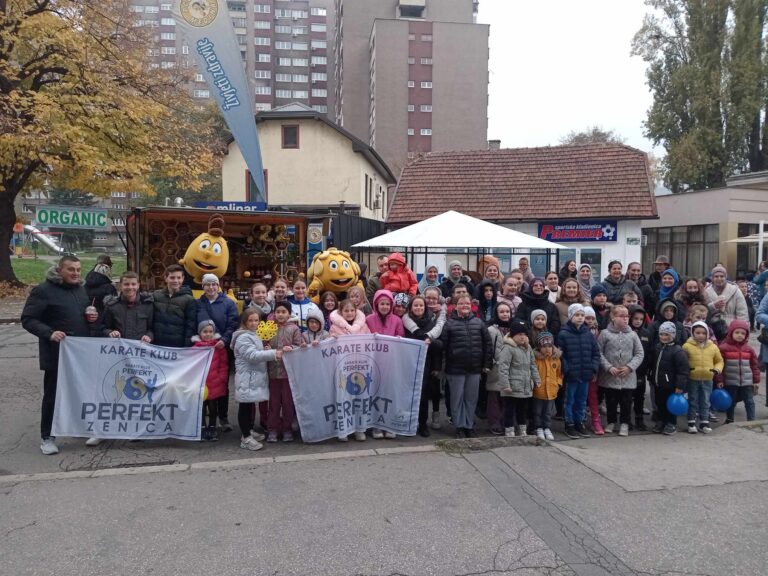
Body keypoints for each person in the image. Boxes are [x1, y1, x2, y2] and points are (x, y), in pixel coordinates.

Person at [22, 255, 99, 455]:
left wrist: (91, 317)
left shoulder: (81, 290)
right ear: (60, 270)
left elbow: (83, 317)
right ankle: (47, 437)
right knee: (53, 396)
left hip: (79, 355)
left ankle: (79, 428)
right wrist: (49, 333)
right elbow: (28, 319)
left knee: (80, 393)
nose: (75, 273)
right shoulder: (43, 291)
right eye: (71, 269)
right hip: (56, 354)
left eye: (78, 270)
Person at [439, 294, 493, 438]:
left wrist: (486, 364)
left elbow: (487, 344)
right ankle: (459, 426)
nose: (465, 306)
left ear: (471, 306)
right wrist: (442, 367)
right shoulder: (449, 324)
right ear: (455, 306)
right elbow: (443, 347)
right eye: (461, 304)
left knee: (471, 399)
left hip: (474, 368)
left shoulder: (479, 322)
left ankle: (469, 425)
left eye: (467, 304)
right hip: (455, 369)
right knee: (457, 399)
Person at [231, 308, 277, 451]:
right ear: (244, 322)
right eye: (250, 320)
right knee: (245, 407)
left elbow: (257, 352)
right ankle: (245, 438)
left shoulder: (253, 335)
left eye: (256, 320)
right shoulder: (243, 337)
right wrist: (274, 353)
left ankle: (248, 432)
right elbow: (252, 356)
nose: (253, 323)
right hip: (247, 377)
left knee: (249, 405)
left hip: (251, 377)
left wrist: (266, 350)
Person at [197, 273, 238, 432]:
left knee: (221, 383)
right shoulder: (198, 303)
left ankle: (223, 416)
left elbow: (233, 323)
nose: (211, 287)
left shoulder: (228, 303)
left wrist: (225, 340)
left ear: (218, 285)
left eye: (214, 284)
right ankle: (203, 418)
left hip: (221, 348)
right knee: (203, 384)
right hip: (201, 350)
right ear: (203, 286)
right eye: (207, 284)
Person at [597, 305, 645, 437]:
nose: (625, 319)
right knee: (611, 401)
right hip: (610, 376)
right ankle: (611, 422)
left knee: (626, 401)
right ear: (613, 317)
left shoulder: (633, 335)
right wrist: (609, 367)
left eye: (627, 316)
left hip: (627, 377)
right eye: (621, 316)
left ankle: (625, 423)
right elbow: (599, 352)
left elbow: (639, 354)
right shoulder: (604, 334)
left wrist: (630, 367)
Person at [557, 303, 600, 439]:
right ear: (571, 316)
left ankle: (579, 422)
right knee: (570, 400)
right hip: (571, 375)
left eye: (582, 315)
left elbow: (595, 353)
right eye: (577, 315)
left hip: (585, 373)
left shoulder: (588, 334)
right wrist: (567, 369)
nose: (580, 318)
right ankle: (569, 424)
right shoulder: (563, 333)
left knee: (581, 400)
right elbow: (560, 354)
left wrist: (593, 367)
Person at [404, 295, 444, 437]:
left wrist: (436, 367)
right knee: (408, 396)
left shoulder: (431, 323)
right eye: (416, 305)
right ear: (410, 308)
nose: (419, 308)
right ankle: (408, 423)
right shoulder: (405, 323)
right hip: (408, 363)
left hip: (425, 364)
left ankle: (422, 424)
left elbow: (439, 346)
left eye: (421, 305)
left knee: (423, 396)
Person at [266, 301, 303, 443]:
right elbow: (263, 343)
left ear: (289, 314)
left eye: (284, 312)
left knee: (288, 403)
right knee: (274, 403)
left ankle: (287, 429)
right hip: (273, 372)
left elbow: (299, 347)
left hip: (288, 373)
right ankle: (273, 429)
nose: (280, 315)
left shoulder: (294, 328)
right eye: (278, 312)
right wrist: (265, 346)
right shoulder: (269, 327)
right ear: (274, 313)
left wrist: (292, 348)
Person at [498, 319, 541, 437]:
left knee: (522, 409)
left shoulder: (528, 348)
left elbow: (533, 365)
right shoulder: (508, 348)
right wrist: (505, 384)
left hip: (525, 386)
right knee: (509, 409)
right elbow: (503, 368)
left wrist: (537, 380)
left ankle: (522, 429)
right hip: (512, 386)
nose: (522, 337)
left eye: (524, 334)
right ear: (513, 335)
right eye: (519, 334)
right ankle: (509, 429)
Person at [683, 320, 724, 434]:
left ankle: (704, 422)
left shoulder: (713, 347)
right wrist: (687, 371)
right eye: (697, 332)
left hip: (707, 379)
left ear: (707, 334)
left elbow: (719, 361)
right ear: (693, 333)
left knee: (705, 401)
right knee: (693, 400)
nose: (700, 335)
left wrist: (717, 369)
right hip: (692, 378)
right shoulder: (687, 346)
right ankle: (691, 422)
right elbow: (683, 361)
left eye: (703, 333)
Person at [649, 322, 689, 435]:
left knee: (670, 405)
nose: (663, 337)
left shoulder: (678, 351)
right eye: (661, 334)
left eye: (666, 335)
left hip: (671, 385)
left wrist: (680, 386)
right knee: (659, 403)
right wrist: (651, 376)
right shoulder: (657, 347)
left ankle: (671, 423)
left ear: (672, 335)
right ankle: (661, 421)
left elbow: (683, 371)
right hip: (658, 383)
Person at [193, 320, 229, 442]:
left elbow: (224, 365)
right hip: (201, 383)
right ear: (200, 333)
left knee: (214, 407)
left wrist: (221, 378)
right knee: (202, 407)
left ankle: (212, 427)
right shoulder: (195, 348)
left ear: (214, 333)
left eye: (210, 331)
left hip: (215, 382)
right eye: (205, 332)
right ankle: (202, 427)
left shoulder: (219, 348)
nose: (208, 334)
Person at [717, 320, 760, 423]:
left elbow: (754, 366)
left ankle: (751, 420)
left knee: (749, 401)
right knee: (731, 401)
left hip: (747, 382)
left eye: (743, 333)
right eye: (737, 332)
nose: (740, 335)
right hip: (731, 381)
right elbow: (720, 366)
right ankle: (729, 419)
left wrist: (755, 381)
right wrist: (720, 380)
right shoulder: (723, 348)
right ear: (731, 333)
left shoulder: (749, 349)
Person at [153, 264, 197, 348]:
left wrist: (186, 346)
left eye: (179, 278)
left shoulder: (189, 300)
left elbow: (190, 325)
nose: (176, 281)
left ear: (183, 279)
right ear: (166, 278)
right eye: (172, 277)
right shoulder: (156, 295)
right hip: (157, 344)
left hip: (177, 346)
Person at [101, 272, 154, 343]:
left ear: (138, 285)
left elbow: (153, 328)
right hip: (118, 348)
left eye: (133, 284)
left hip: (140, 349)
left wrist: (149, 336)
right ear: (120, 286)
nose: (130, 287)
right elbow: (103, 328)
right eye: (126, 284)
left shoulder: (147, 305)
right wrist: (110, 333)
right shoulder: (112, 306)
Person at [485, 302, 513, 435]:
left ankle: (506, 422)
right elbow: (488, 349)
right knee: (495, 397)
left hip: (511, 368)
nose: (505, 314)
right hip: (496, 367)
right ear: (497, 313)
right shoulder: (492, 330)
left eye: (507, 311)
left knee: (507, 398)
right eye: (502, 312)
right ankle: (495, 423)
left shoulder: (514, 328)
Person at [532, 331, 562, 441]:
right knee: (537, 411)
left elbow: (559, 373)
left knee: (548, 412)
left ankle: (547, 427)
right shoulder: (536, 359)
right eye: (544, 346)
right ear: (539, 347)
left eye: (550, 346)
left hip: (552, 390)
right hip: (538, 390)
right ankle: (538, 427)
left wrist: (558, 383)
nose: (547, 349)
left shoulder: (556, 359)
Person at [628, 305, 652, 431]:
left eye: (641, 319)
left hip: (641, 371)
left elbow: (649, 352)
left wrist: (648, 368)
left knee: (639, 396)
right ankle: (627, 420)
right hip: (628, 370)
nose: (638, 321)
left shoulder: (646, 333)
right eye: (635, 318)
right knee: (627, 397)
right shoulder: (626, 332)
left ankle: (639, 419)